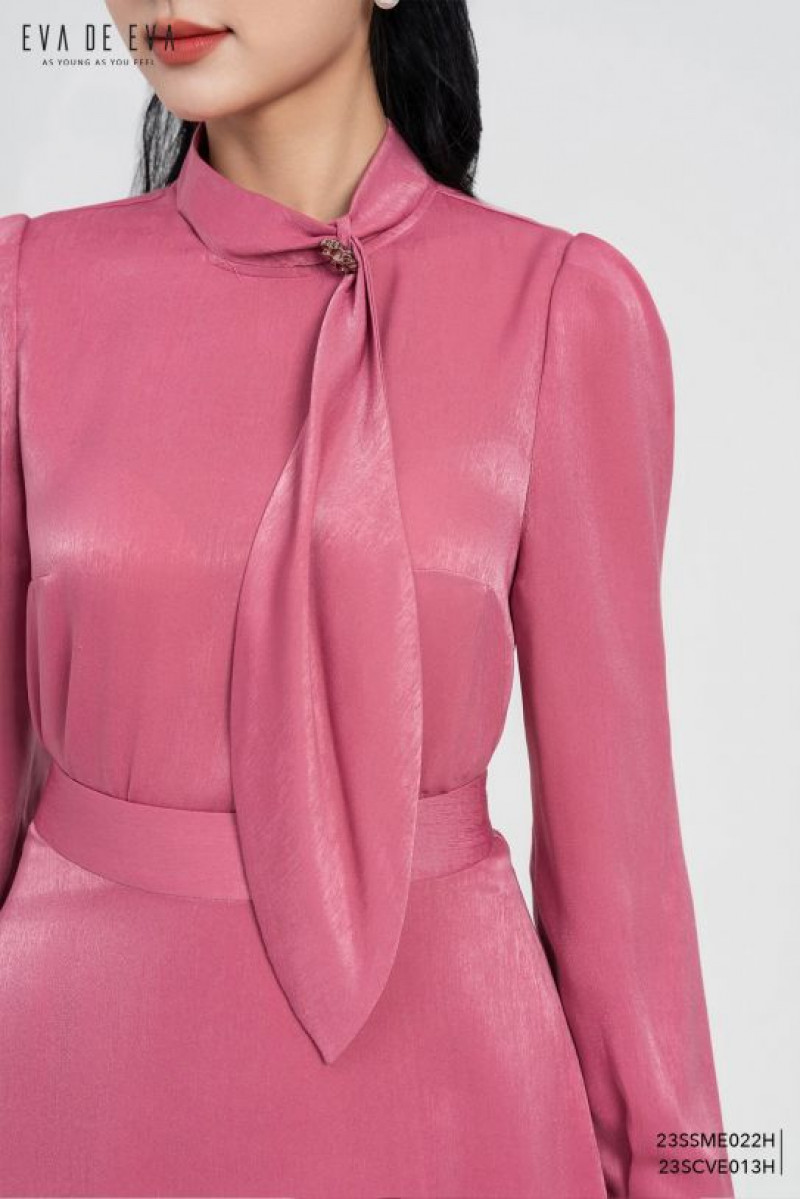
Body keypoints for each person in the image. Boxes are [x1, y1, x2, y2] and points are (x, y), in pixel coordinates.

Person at [0, 2, 734, 1196]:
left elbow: (627, 892)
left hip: (458, 1112)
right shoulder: (25, 297)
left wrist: (681, 1173)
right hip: (68, 1088)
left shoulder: (561, 311)